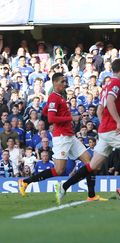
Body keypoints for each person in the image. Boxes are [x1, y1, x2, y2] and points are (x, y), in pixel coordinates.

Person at [57, 59, 120, 202]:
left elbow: (100, 110)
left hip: (105, 131)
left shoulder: (105, 86)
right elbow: (111, 102)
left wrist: (106, 123)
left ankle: (64, 186)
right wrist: (118, 122)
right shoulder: (117, 83)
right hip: (112, 130)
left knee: (93, 166)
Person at [18, 73, 104, 202]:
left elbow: (45, 112)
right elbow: (51, 118)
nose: (65, 84)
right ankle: (26, 182)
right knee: (58, 170)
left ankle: (91, 195)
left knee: (90, 163)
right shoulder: (54, 98)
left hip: (69, 135)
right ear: (56, 83)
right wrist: (71, 117)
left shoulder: (58, 97)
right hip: (62, 137)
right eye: (63, 82)